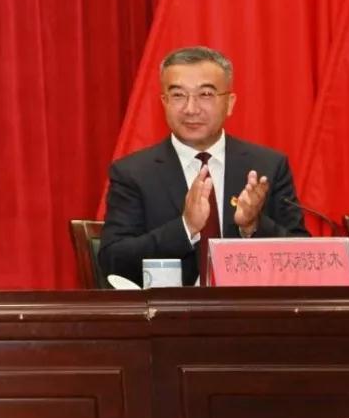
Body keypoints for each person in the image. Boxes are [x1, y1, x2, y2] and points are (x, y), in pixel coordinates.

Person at [99, 46, 309, 286]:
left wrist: (253, 226)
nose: (191, 109)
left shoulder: (267, 167)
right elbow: (113, 260)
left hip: (250, 308)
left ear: (229, 103)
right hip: (172, 308)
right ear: (164, 102)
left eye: (206, 94)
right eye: (178, 95)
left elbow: (304, 257)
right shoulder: (133, 173)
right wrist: (185, 227)